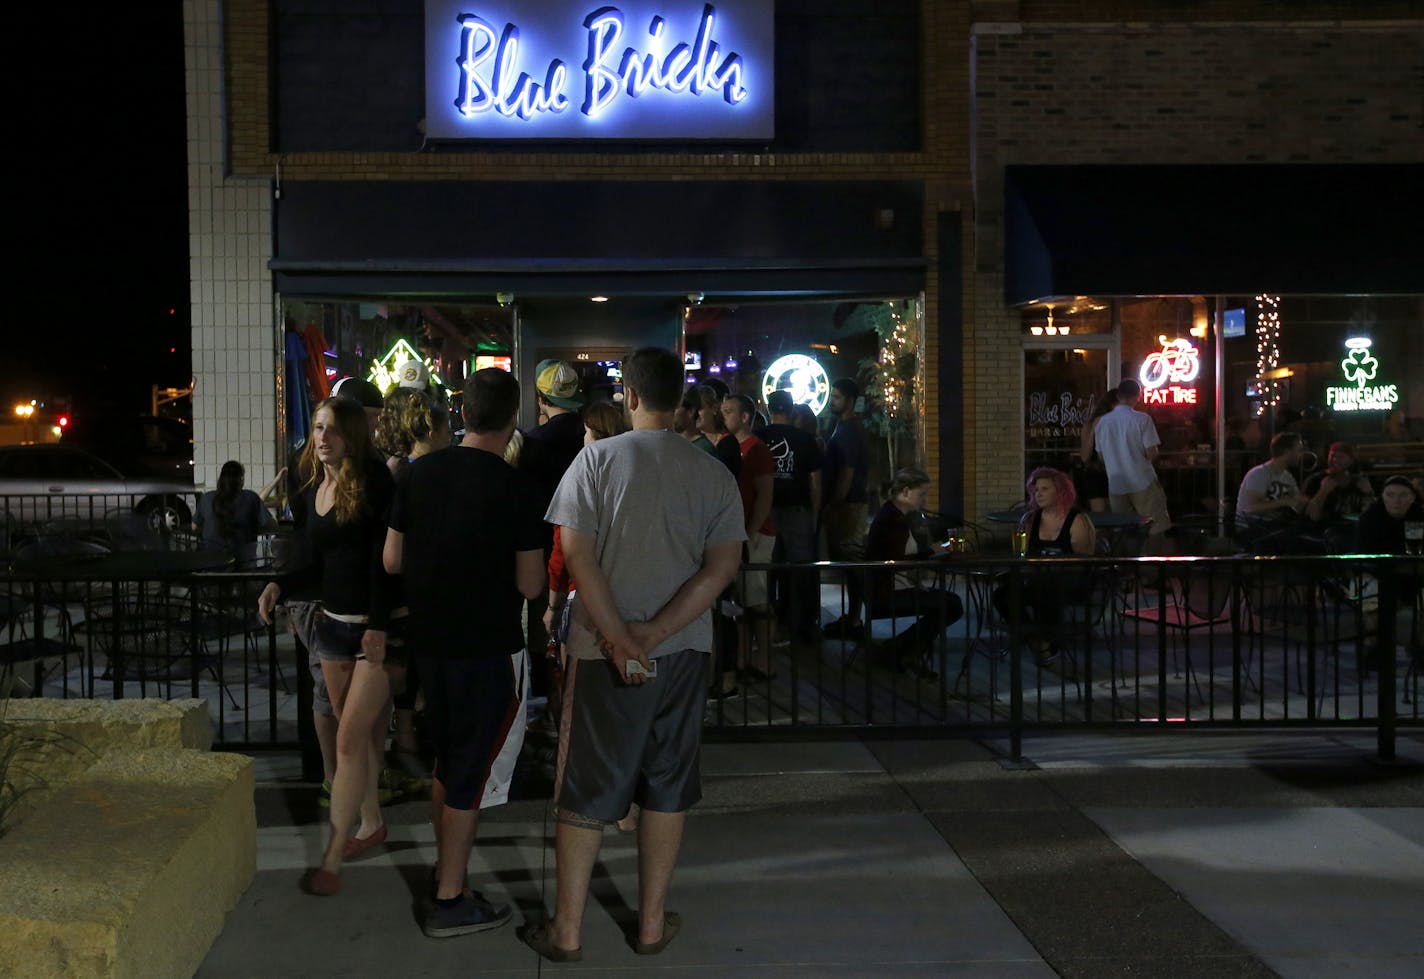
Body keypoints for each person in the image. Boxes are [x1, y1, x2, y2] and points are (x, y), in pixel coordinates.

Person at [526, 347, 743, 963]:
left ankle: (566, 931)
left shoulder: (594, 462)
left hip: (601, 653)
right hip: (683, 651)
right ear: (682, 403)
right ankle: (650, 925)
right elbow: (720, 568)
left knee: (587, 789)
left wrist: (621, 637)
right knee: (667, 784)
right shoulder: (712, 473)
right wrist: (655, 632)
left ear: (630, 396)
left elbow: (580, 559)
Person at [383, 367, 546, 938]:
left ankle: (445, 872)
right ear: (510, 419)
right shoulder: (516, 487)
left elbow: (392, 560)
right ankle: (450, 897)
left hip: (432, 643)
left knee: (448, 762)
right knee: (472, 771)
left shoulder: (417, 476)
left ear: (461, 413)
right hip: (489, 646)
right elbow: (530, 584)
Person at [256, 396, 397, 897]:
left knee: (348, 738)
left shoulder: (377, 482)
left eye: (332, 430)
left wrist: (379, 625)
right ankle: (372, 820)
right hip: (332, 625)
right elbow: (316, 558)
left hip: (372, 629)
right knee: (355, 734)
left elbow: (386, 563)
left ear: (352, 435)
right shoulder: (315, 486)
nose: (321, 438)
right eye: (317, 428)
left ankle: (342, 847)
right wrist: (282, 586)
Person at [373, 388, 453, 757]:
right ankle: (409, 735)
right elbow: (392, 553)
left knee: (409, 663)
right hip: (415, 589)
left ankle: (404, 734)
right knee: (411, 664)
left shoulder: (396, 471)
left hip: (404, 588)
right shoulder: (417, 475)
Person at [521, 360, 587, 720]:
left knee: (543, 634)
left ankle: (550, 710)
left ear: (541, 397)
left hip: (545, 551)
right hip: (589, 551)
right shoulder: (590, 436)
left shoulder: (533, 443)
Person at [863, 468, 965, 679]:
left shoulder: (893, 514)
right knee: (951, 604)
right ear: (906, 492)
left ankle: (903, 650)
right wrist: (931, 553)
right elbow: (896, 562)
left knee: (949, 602)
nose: (924, 500)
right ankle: (900, 650)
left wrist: (930, 553)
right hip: (887, 592)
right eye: (922, 494)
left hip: (887, 587)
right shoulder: (894, 520)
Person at [991, 467, 1097, 665]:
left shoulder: (1077, 519)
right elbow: (1025, 553)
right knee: (1002, 594)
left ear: (1060, 491)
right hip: (1037, 577)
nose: (1038, 494)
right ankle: (1036, 640)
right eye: (1036, 490)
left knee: (1047, 588)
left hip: (1071, 580)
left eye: (1044, 489)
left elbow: (1083, 561)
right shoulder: (1032, 519)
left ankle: (1048, 640)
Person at [760, 390, 824, 644]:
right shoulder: (805, 439)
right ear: (792, 410)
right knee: (800, 571)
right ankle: (800, 625)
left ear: (769, 409)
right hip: (798, 511)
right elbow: (815, 482)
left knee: (767, 570)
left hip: (766, 511)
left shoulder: (758, 437)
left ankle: (768, 627)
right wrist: (815, 513)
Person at [721, 394, 777, 682]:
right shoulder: (733, 447)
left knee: (756, 600)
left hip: (755, 535)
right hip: (739, 533)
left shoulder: (757, 450)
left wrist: (751, 533)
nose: (724, 415)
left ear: (745, 417)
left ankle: (764, 660)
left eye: (729, 411)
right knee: (741, 601)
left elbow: (764, 497)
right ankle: (743, 659)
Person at [1091, 378, 1172, 551]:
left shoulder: (1101, 423)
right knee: (1155, 526)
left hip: (1116, 484)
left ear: (1119, 396)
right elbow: (1152, 452)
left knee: (1123, 529)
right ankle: (1151, 568)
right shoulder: (1142, 419)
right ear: (1138, 396)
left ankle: (1126, 568)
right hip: (1142, 480)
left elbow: (1101, 457)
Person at [821, 378, 871, 636]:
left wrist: (835, 503)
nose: (833, 401)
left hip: (849, 505)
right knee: (848, 564)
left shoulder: (850, 430)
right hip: (848, 503)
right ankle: (853, 618)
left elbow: (847, 471)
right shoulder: (843, 427)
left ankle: (855, 619)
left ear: (850, 401)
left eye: (837, 397)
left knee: (852, 563)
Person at [1235, 432, 1323, 554]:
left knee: (1313, 536)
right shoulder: (1259, 474)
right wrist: (1284, 502)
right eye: (1298, 450)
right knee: (1301, 542)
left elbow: (1296, 502)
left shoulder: (1287, 476)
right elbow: (1250, 508)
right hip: (1252, 528)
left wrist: (1310, 502)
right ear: (1287, 452)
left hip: (1274, 526)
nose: (1301, 454)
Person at [194, 460, 277, 559]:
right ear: (241, 479)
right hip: (243, 565)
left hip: (208, 565)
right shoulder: (250, 497)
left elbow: (194, 527)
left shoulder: (206, 498)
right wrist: (253, 527)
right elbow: (272, 526)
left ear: (221, 478)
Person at [1303, 441, 1376, 529]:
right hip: (1324, 533)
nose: (1335, 460)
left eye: (1341, 457)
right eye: (1332, 456)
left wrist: (1368, 492)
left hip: (1354, 530)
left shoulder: (1358, 480)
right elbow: (1311, 517)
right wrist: (1323, 491)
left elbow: (1372, 515)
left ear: (1351, 460)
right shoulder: (1315, 480)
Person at [1074, 391, 1117, 513]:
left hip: (1117, 472)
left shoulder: (1119, 425)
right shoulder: (1091, 425)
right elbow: (1084, 457)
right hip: (1096, 473)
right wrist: (1094, 429)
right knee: (1100, 511)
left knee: (1117, 511)